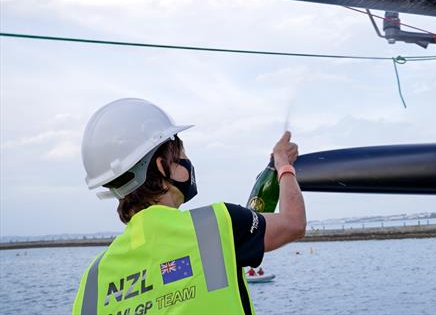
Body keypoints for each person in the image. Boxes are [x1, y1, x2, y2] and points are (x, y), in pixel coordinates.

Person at [72, 98, 306, 315]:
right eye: (182, 154)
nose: (188, 162)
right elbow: (293, 223)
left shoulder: (91, 283)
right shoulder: (216, 225)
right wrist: (283, 164)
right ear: (163, 166)